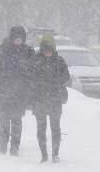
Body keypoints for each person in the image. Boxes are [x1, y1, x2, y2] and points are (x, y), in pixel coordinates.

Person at [0, 25, 34, 156]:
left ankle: (15, 146)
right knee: (3, 118)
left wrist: (29, 85)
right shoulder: (2, 50)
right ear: (12, 37)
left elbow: (34, 70)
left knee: (16, 119)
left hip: (20, 93)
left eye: (21, 38)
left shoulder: (28, 52)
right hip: (3, 91)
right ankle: (3, 142)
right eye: (16, 38)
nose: (18, 41)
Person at [30, 35, 71, 163]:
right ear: (42, 49)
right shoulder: (35, 61)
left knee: (55, 127)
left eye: (50, 49)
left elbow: (66, 77)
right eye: (45, 49)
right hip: (40, 100)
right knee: (41, 128)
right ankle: (44, 154)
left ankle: (55, 153)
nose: (47, 52)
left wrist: (54, 82)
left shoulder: (59, 61)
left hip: (55, 99)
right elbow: (30, 79)